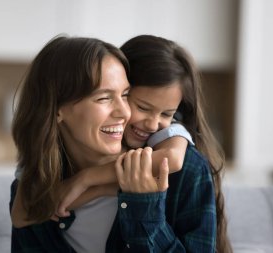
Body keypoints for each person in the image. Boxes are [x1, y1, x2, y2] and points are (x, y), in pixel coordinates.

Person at [50, 35, 232, 252]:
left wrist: (89, 181)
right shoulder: (61, 156)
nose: (153, 124)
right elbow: (25, 216)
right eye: (143, 108)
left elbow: (172, 159)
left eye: (167, 113)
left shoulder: (187, 166)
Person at [10, 35, 186, 253]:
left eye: (126, 95)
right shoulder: (38, 182)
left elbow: (175, 156)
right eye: (104, 98)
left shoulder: (182, 171)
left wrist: (140, 206)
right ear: (56, 109)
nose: (125, 112)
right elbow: (20, 216)